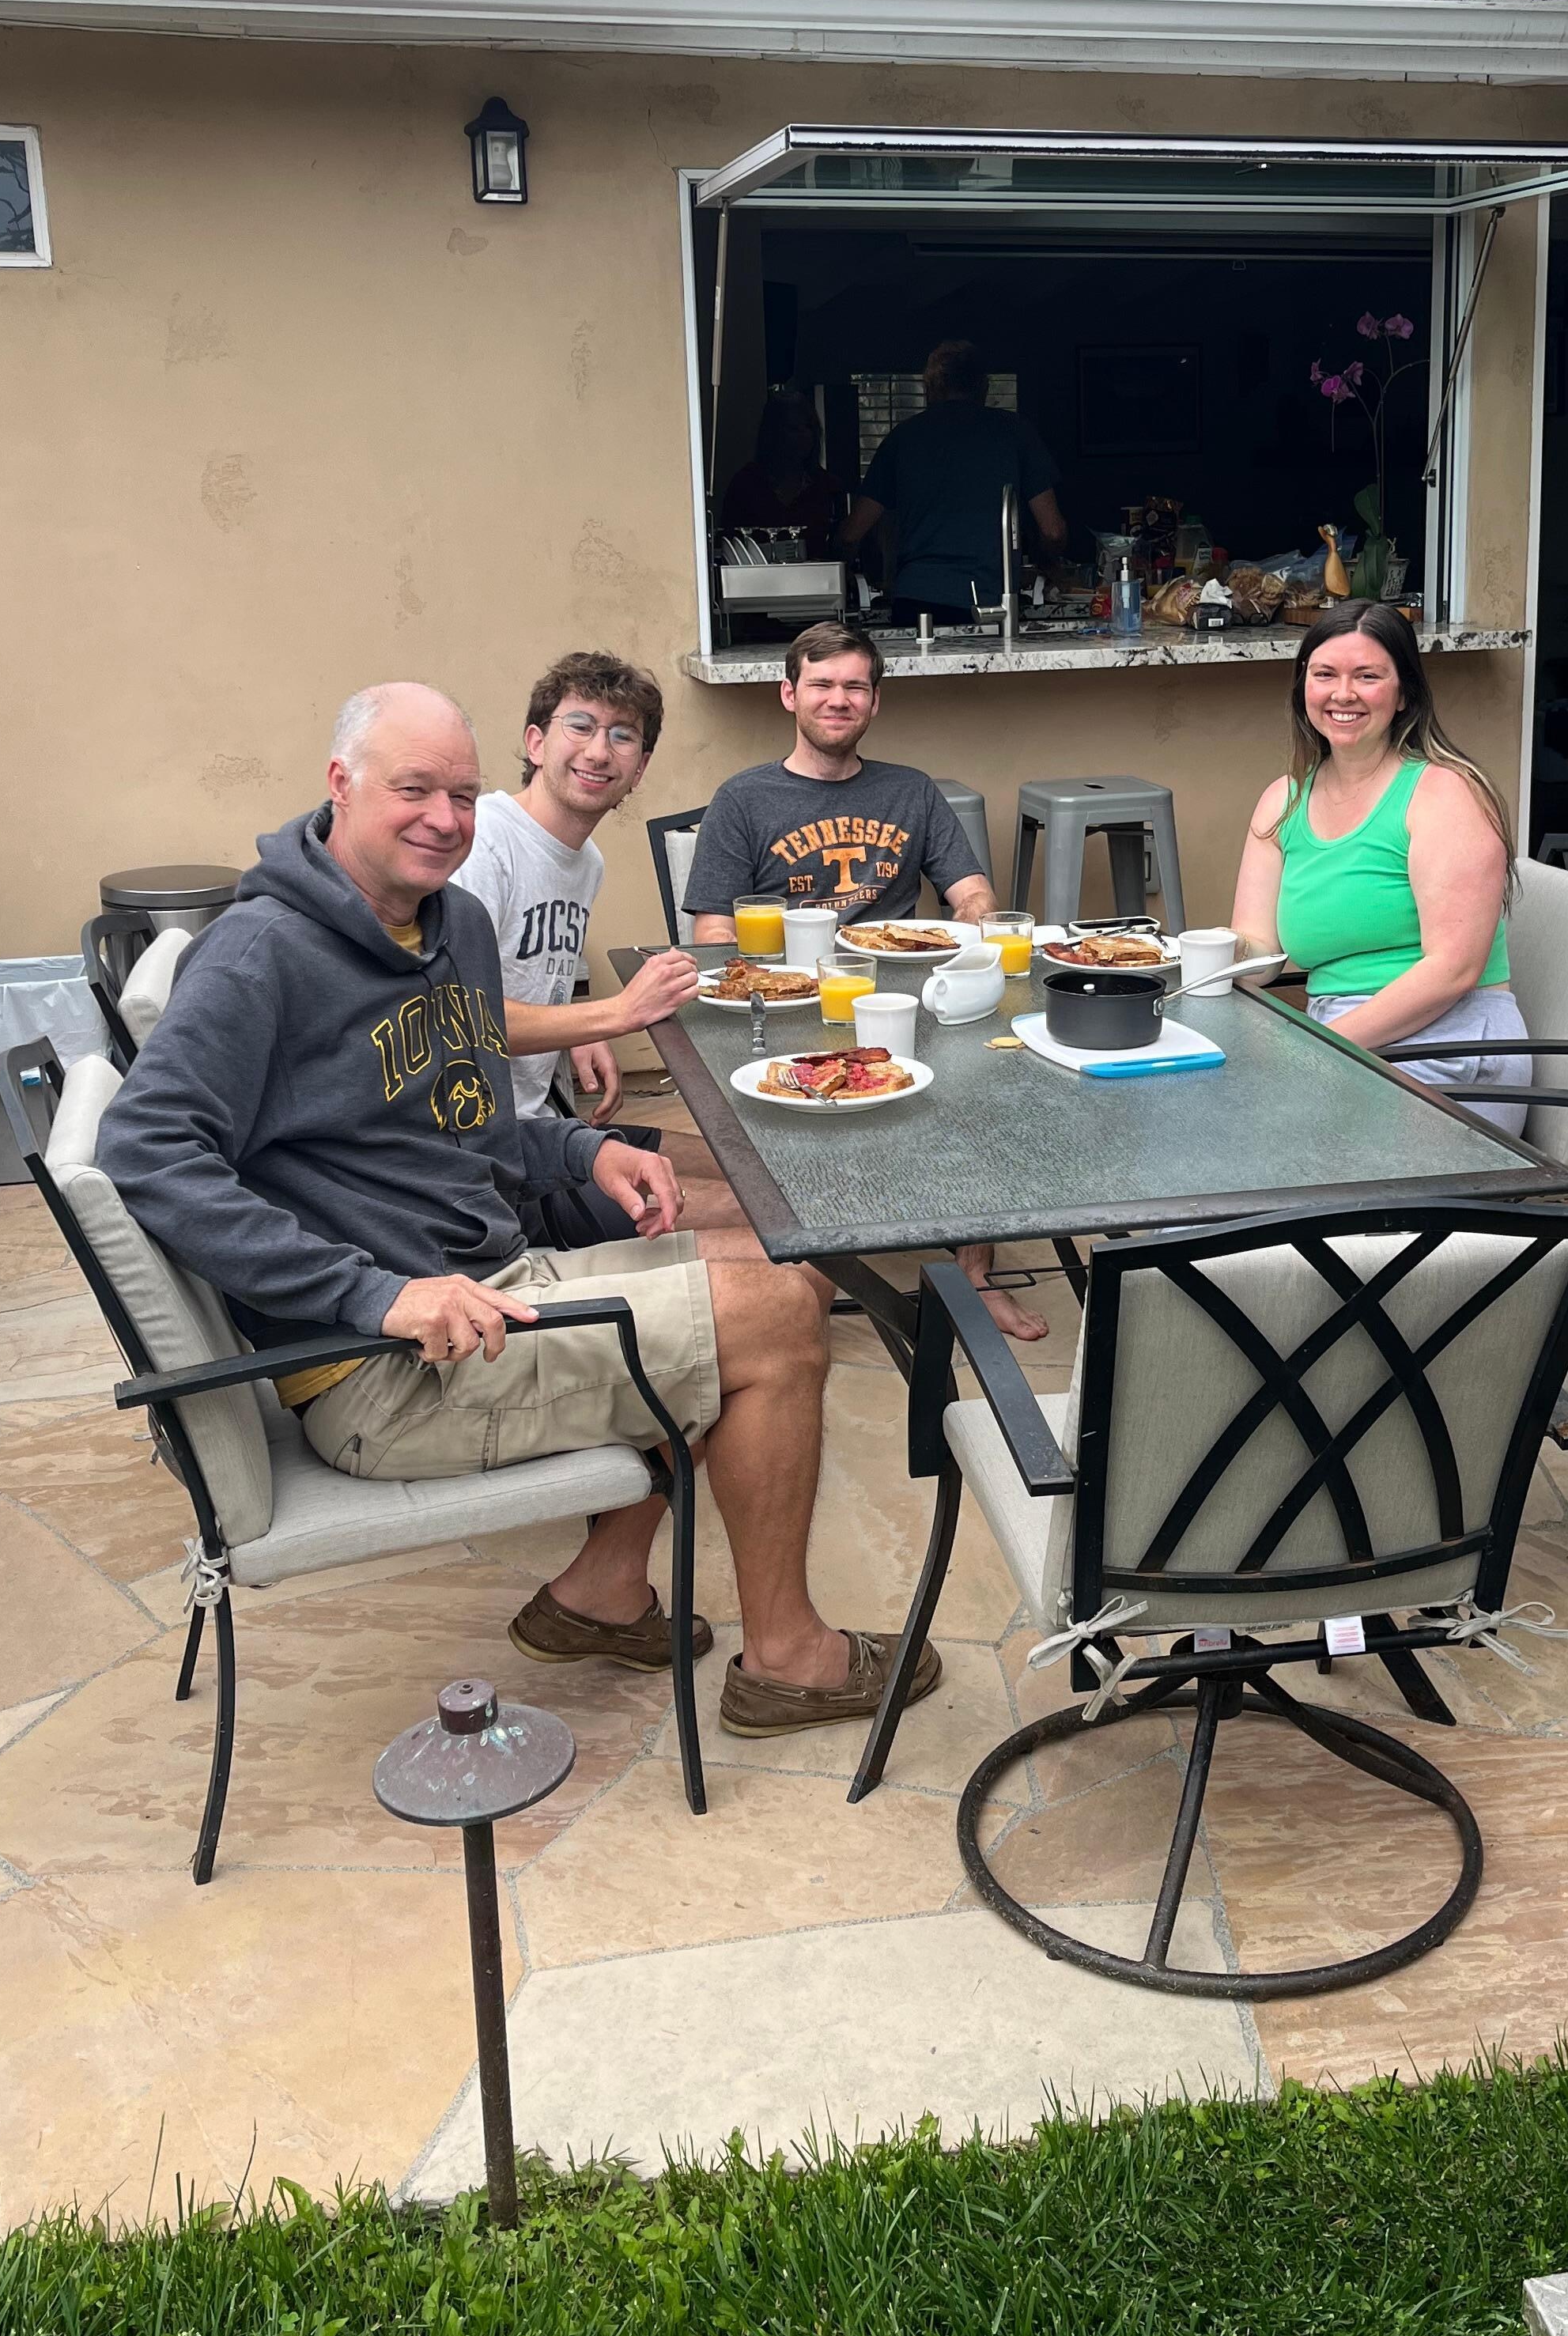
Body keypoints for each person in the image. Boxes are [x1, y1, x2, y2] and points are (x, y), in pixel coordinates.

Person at [95, 679, 939, 1732]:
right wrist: (375, 1295)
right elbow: (144, 1148)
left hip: (496, 1286)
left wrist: (586, 1151)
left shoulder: (448, 921)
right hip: (389, 1369)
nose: (444, 819)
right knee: (765, 1318)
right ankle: (788, 1660)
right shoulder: (262, 953)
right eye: (413, 790)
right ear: (340, 784)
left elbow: (464, 1118)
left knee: (781, 1270)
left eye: (462, 794)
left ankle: (602, 1592)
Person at [682, 621, 1045, 1342]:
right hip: (791, 1003)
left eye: (854, 686)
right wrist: (771, 992)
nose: (838, 699)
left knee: (987, 1081)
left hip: (900, 996)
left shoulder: (911, 791)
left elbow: (972, 892)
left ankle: (974, 1277)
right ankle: (813, 1262)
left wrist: (974, 927)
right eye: (821, 684)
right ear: (789, 695)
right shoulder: (744, 798)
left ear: (875, 701)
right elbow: (713, 934)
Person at [448, 650, 769, 1264]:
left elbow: (525, 968)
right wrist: (616, 1014)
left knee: (753, 1164)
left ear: (640, 768)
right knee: (768, 1214)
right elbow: (457, 1021)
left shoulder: (584, 863)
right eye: (580, 726)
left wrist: (577, 1024)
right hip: (490, 1161)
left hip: (549, 1124)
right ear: (536, 742)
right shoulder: (484, 845)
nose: (599, 752)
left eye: (622, 736)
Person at [1231, 600, 1530, 1136]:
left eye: (1367, 676)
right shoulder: (1283, 803)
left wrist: (1316, 1049)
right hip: (1343, 1043)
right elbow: (1258, 958)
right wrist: (1193, 953)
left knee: (1250, 1140)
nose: (1343, 694)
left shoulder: (1444, 795)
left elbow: (1453, 971)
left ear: (1405, 693)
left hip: (1449, 1047)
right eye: (1325, 674)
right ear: (1303, 687)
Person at [839, 338, 1066, 622]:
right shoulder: (1015, 433)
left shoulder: (903, 438)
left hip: (916, 596)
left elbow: (851, 534)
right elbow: (1053, 530)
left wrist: (844, 574)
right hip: (989, 600)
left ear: (930, 388)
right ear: (984, 387)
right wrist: (1048, 565)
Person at [718, 384, 840, 550]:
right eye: (793, 428)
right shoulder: (746, 484)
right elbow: (729, 545)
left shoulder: (827, 486)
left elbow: (838, 547)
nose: (804, 435)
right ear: (774, 434)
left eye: (808, 427)